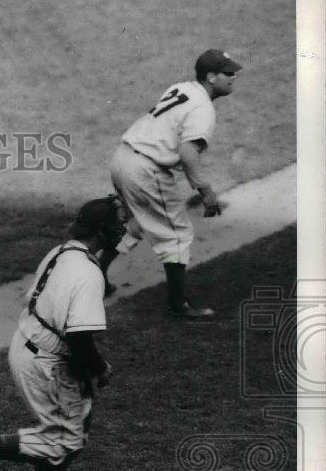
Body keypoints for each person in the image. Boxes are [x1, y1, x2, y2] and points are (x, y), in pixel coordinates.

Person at [0, 196, 126, 471]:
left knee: (78, 419)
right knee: (67, 440)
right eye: (117, 226)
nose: (122, 230)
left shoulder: (60, 252)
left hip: (27, 343)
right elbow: (79, 339)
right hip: (46, 361)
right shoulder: (89, 275)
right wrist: (100, 369)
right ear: (101, 232)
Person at [100, 49, 242, 319]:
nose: (233, 77)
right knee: (176, 235)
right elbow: (188, 154)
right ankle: (178, 307)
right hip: (146, 170)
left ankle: (97, 277)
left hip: (122, 158)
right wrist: (206, 191)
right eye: (228, 73)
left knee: (135, 222)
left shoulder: (182, 88)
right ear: (211, 77)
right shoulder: (203, 110)